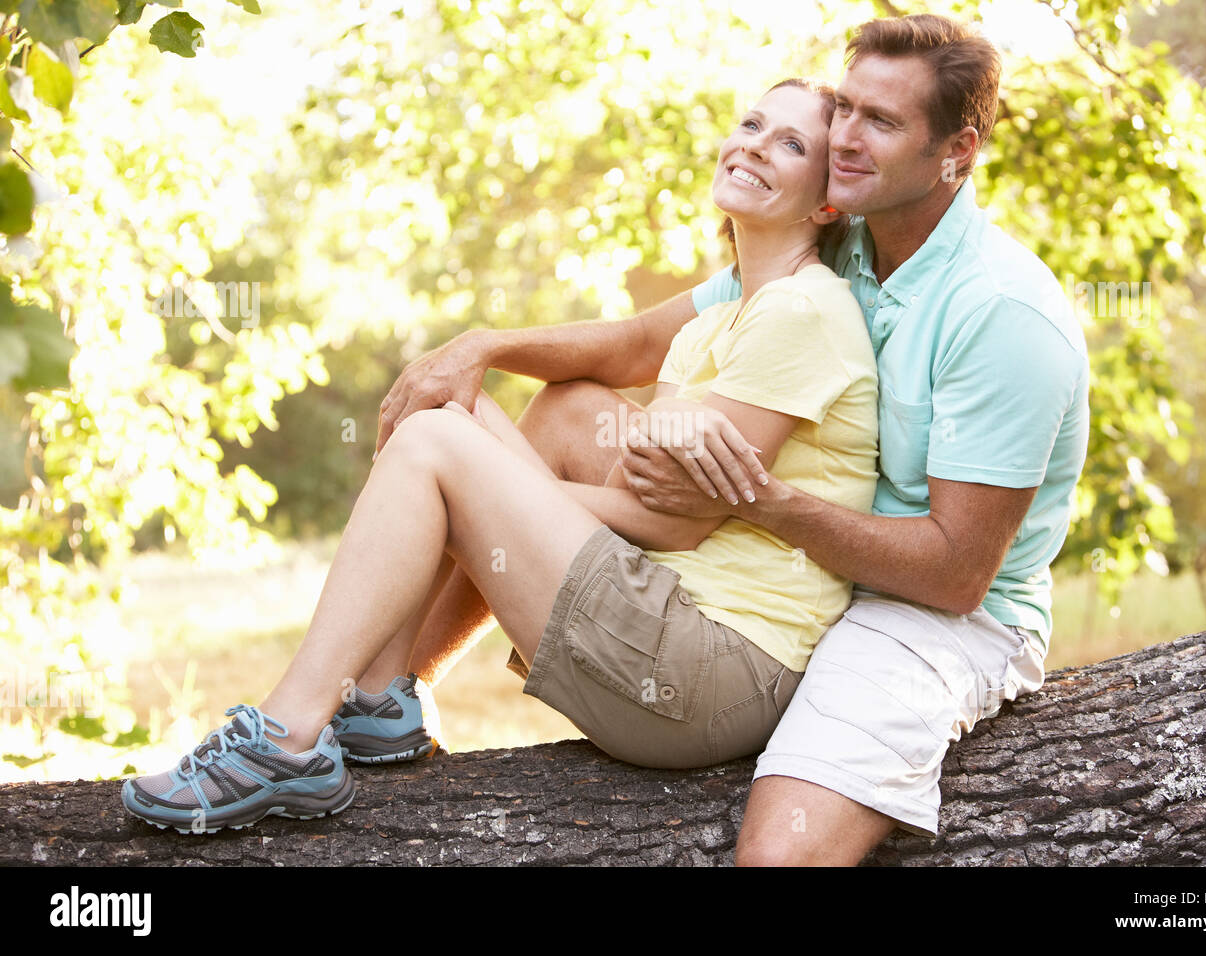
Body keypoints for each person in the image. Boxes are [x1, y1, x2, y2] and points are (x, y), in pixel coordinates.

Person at [374, 13, 1089, 866]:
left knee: (777, 855)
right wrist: (484, 348)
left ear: (959, 151)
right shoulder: (843, 241)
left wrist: (761, 503)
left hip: (934, 614)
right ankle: (388, 700)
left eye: (882, 123)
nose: (846, 139)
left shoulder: (1001, 315)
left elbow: (956, 572)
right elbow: (642, 343)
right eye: (848, 109)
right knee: (569, 410)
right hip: (810, 561)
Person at [119, 79, 880, 833]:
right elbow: (642, 491)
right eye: (752, 122)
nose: (753, 143)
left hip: (714, 674)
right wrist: (496, 476)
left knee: (438, 444)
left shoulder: (800, 310)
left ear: (826, 204)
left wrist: (486, 490)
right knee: (480, 408)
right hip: (676, 620)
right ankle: (380, 697)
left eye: (789, 143)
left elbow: (675, 526)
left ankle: (284, 741)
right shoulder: (715, 321)